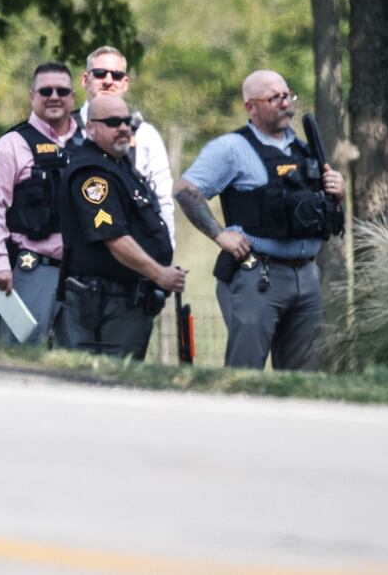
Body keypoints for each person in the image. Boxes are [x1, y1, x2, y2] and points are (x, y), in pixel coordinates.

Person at [173, 69, 345, 371]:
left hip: (306, 275)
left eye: (286, 95)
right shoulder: (231, 149)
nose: (284, 103)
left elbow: (317, 211)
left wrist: (337, 192)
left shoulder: (306, 150)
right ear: (250, 107)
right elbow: (186, 191)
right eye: (273, 97)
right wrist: (219, 235)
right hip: (258, 275)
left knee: (303, 378)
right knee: (245, 372)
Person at [59, 93, 186, 358]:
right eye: (114, 122)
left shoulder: (119, 166)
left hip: (126, 300)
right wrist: (159, 273)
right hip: (104, 302)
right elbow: (114, 238)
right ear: (91, 128)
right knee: (103, 383)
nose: (124, 128)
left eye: (127, 122)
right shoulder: (92, 173)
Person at [0, 61, 78, 343]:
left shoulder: (89, 142)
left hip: (83, 272)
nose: (54, 96)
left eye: (62, 90)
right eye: (45, 91)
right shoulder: (11, 144)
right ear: (32, 96)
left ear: (73, 97)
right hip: (30, 269)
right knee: (20, 352)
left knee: (83, 361)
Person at [77, 46, 175, 247]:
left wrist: (166, 249)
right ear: (85, 80)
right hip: (76, 251)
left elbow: (163, 200)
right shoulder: (65, 130)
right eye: (100, 73)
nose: (108, 80)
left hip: (134, 251)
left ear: (125, 83)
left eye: (116, 75)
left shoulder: (145, 135)